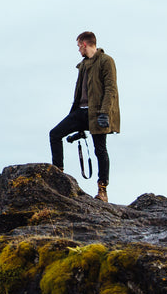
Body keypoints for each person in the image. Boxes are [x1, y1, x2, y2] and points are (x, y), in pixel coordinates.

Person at [49, 31, 120, 202]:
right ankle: (58, 176)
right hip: (80, 112)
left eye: (79, 45)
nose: (78, 49)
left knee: (100, 149)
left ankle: (102, 190)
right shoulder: (83, 65)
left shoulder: (106, 61)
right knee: (55, 134)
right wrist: (75, 120)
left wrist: (104, 113)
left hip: (98, 113)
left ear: (85, 44)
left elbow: (111, 88)